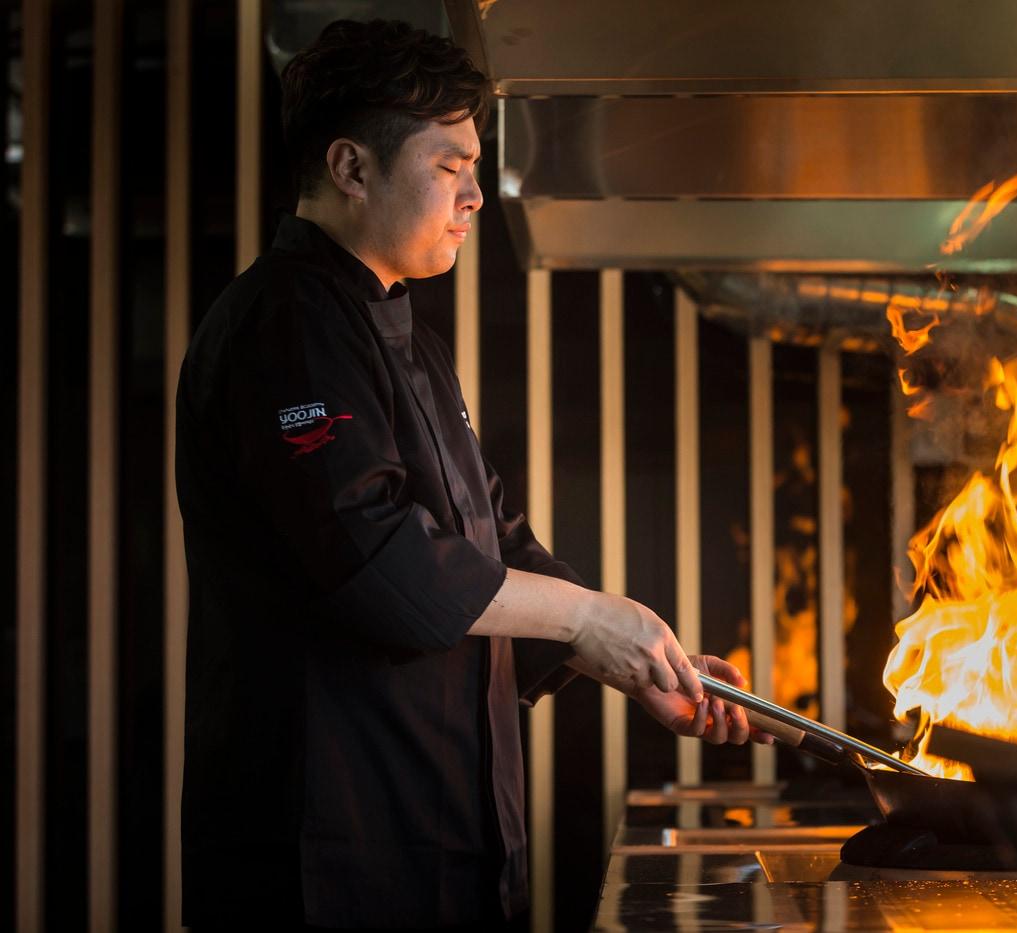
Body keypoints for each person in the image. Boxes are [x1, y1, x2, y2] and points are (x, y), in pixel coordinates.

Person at [176, 19, 766, 931]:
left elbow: (491, 538)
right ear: (350, 167)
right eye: (450, 168)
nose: (477, 197)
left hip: (437, 843)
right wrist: (584, 616)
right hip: (330, 859)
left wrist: (634, 658)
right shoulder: (286, 325)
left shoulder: (405, 334)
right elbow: (375, 556)